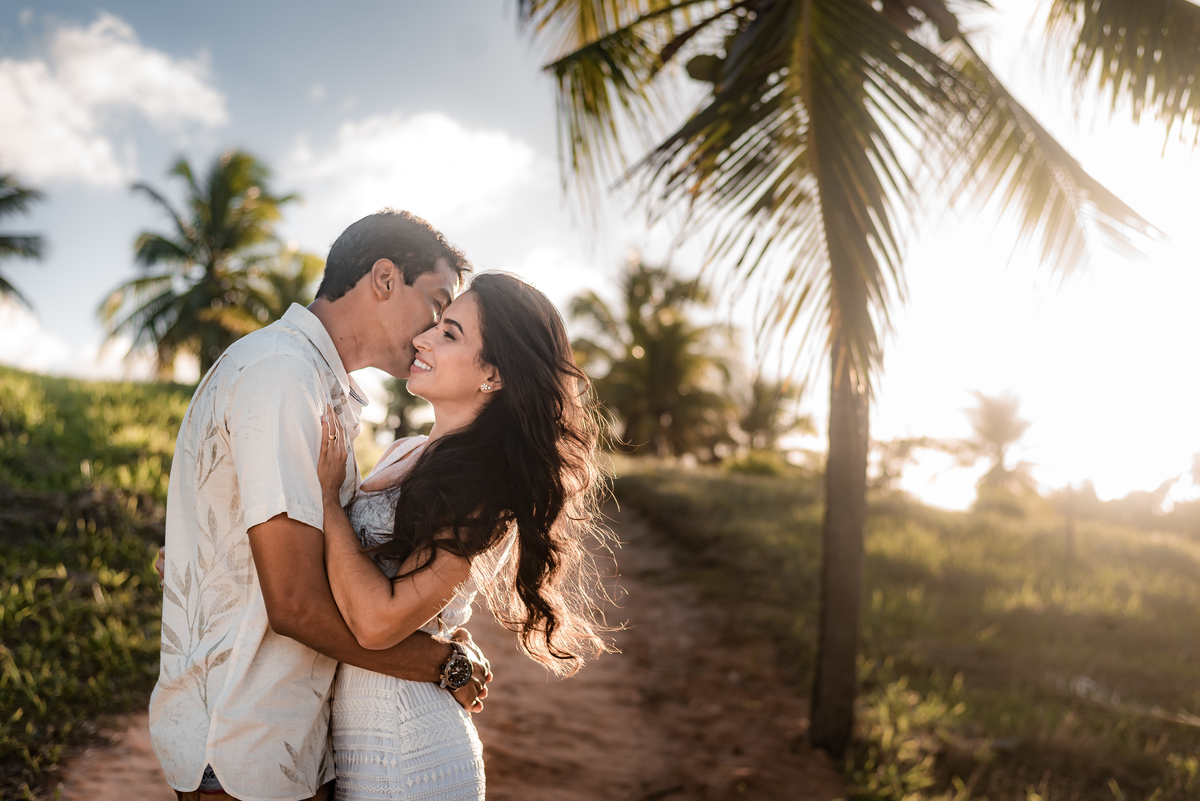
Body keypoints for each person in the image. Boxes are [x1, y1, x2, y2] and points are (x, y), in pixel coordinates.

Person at [149, 210, 490, 801]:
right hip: (248, 744)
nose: (430, 332)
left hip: (284, 740)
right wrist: (437, 662)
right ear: (384, 279)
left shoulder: (306, 381)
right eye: (436, 307)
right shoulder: (283, 375)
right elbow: (297, 604)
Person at [313, 272, 612, 801]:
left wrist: (327, 504)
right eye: (434, 326)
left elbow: (378, 622)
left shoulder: (481, 487)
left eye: (449, 334)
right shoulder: (405, 451)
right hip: (360, 745)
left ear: (493, 374)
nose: (422, 339)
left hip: (409, 760)